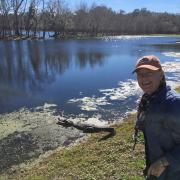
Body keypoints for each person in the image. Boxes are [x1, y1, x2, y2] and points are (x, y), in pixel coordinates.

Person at [133, 55, 180, 180]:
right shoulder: (149, 100)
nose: (143, 78)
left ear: (161, 74)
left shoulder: (173, 103)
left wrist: (164, 162)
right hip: (158, 173)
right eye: (139, 74)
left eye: (149, 72)